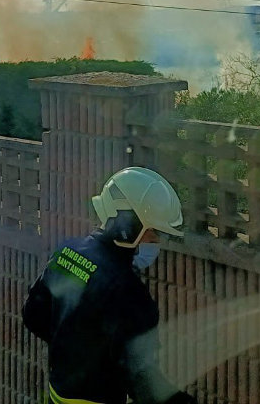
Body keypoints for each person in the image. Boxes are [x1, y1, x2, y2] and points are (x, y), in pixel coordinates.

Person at [22, 167, 196, 404]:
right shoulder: (129, 293)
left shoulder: (67, 252)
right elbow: (143, 382)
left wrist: (72, 348)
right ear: (129, 224)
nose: (156, 240)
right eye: (153, 231)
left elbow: (33, 316)